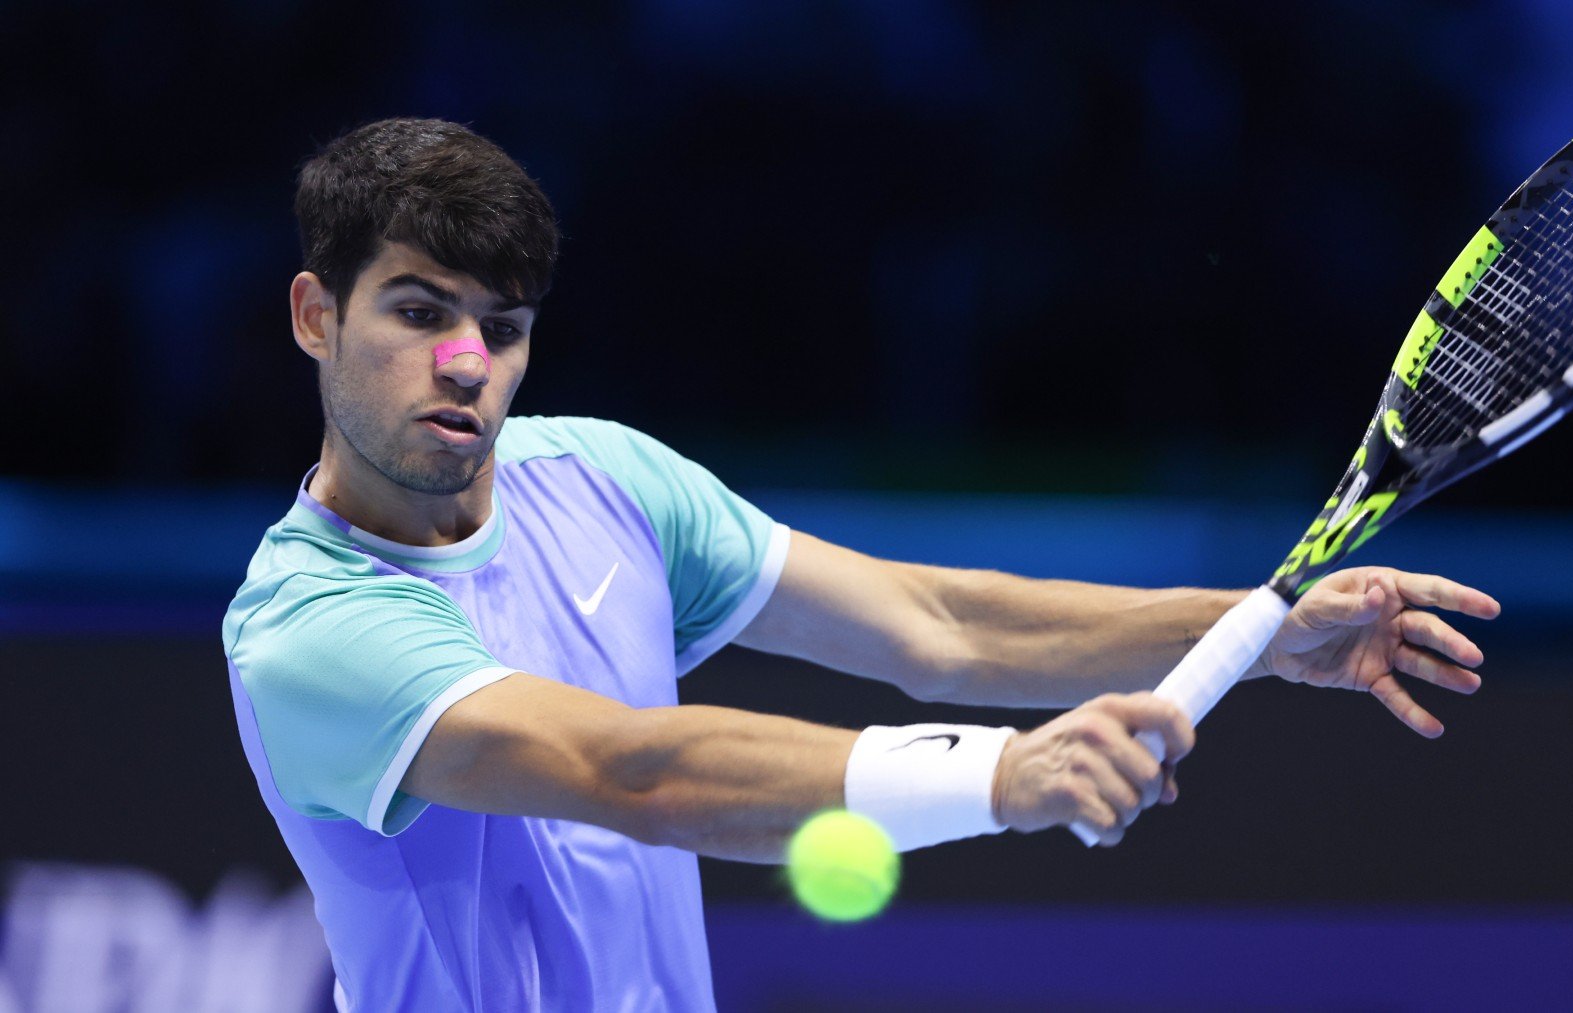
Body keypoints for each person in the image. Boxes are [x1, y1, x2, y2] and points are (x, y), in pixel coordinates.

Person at [223, 118, 1501, 1012]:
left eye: (500, 329)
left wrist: (1259, 627)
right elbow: (634, 770)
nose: (465, 364)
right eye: (418, 309)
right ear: (314, 314)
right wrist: (1007, 772)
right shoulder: (309, 630)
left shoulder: (604, 478)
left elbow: (931, 620)